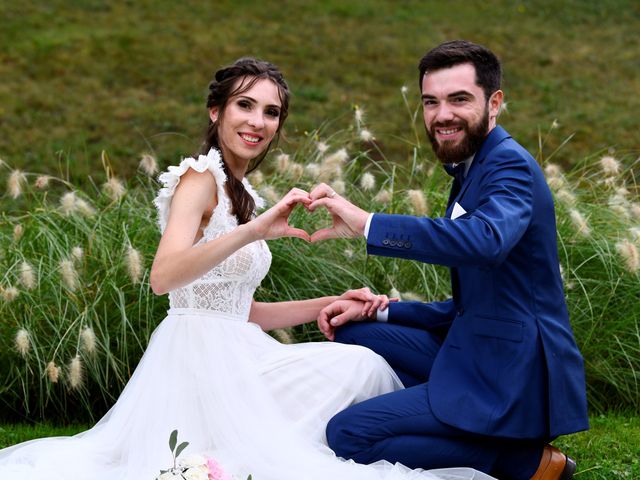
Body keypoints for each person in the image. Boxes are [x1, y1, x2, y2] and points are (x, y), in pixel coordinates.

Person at [0, 57, 494, 480]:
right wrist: (253, 233)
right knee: (345, 384)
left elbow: (241, 310)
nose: (258, 121)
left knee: (359, 359)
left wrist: (333, 302)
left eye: (271, 111)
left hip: (237, 346)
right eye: (245, 105)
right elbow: (163, 277)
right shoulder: (199, 179)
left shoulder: (243, 195)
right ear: (216, 112)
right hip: (198, 359)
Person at [307, 40, 589, 480]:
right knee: (354, 332)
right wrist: (382, 311)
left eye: (459, 99)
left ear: (494, 102)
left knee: (348, 434)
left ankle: (524, 460)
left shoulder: (509, 165)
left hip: (511, 370)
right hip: (478, 340)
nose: (442, 115)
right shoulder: (474, 166)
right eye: (431, 102)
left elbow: (485, 241)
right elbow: (473, 303)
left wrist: (369, 224)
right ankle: (468, 426)